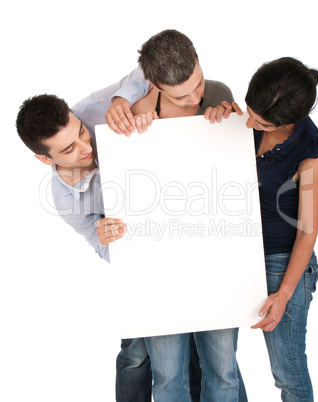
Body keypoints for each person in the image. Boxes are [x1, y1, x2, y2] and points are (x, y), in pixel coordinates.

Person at [112, 29, 246, 402]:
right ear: (153, 85)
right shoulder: (135, 114)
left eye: (197, 84)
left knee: (223, 371)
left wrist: (231, 123)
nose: (196, 98)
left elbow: (232, 176)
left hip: (215, 260)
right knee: (168, 376)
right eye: (181, 95)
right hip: (160, 270)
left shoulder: (218, 93)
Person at [15, 70, 155, 402]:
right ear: (43, 159)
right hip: (140, 259)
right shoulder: (65, 200)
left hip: (182, 217)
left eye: (80, 132)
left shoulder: (91, 109)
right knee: (136, 355)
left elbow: (147, 71)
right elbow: (99, 246)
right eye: (68, 149)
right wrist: (105, 238)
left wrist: (124, 99)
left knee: (200, 348)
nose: (84, 146)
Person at [207, 56, 318, 401]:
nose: (249, 124)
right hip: (235, 253)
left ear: (288, 121)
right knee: (219, 368)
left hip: (282, 262)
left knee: (287, 374)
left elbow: (308, 231)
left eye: (260, 122)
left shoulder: (311, 154)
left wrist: (284, 294)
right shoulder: (243, 123)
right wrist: (218, 121)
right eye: (248, 111)